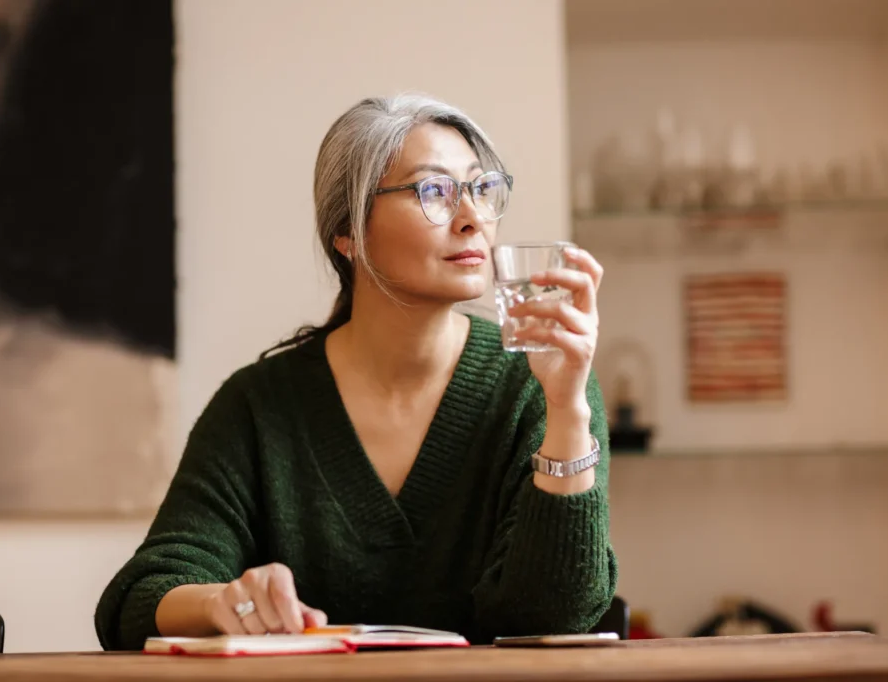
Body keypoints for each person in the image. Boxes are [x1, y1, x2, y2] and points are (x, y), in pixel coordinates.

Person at [94, 93, 618, 651]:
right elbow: (138, 601)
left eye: (481, 188)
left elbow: (555, 618)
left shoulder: (539, 386)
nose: (472, 221)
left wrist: (567, 411)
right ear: (349, 232)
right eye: (433, 191)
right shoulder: (259, 407)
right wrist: (223, 601)